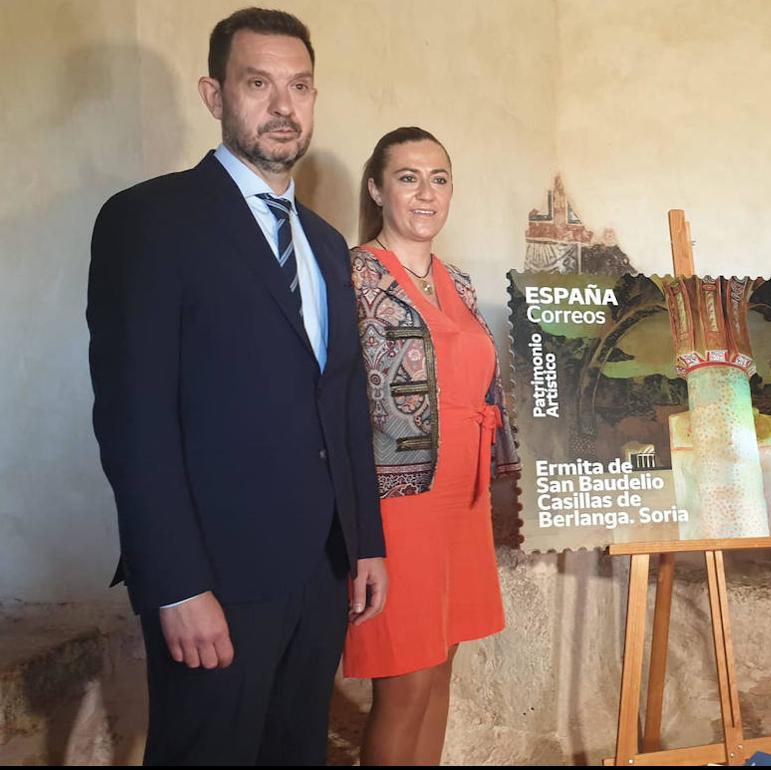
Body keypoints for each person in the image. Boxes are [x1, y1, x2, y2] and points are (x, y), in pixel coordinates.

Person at [86, 8, 387, 764]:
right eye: (259, 84)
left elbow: (344, 403)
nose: (284, 106)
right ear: (214, 95)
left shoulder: (326, 243)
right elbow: (133, 421)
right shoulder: (149, 221)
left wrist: (366, 544)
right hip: (215, 578)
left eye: (300, 86)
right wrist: (175, 585)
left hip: (321, 573)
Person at [342, 126, 521, 765]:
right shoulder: (351, 276)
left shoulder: (460, 283)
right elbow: (332, 398)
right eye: (408, 178)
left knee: (443, 665)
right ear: (376, 189)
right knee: (406, 678)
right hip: (398, 500)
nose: (426, 193)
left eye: (438, 179)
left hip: (462, 498)